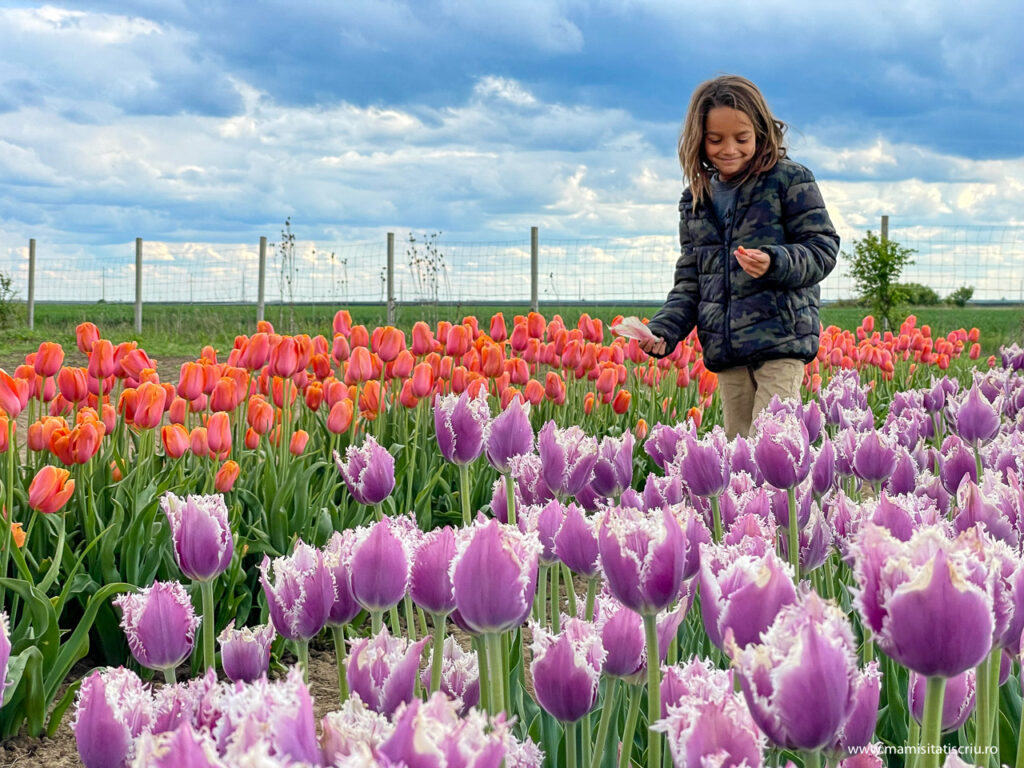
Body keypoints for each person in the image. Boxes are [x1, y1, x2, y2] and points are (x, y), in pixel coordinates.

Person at [640, 74, 839, 438]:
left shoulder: (789, 180)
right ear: (698, 140)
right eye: (715, 140)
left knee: (773, 444)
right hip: (727, 351)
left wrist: (775, 262)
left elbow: (822, 248)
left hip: (780, 342)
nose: (728, 149)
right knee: (737, 454)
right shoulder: (696, 200)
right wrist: (663, 331)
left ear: (761, 132)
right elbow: (690, 282)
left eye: (741, 138)